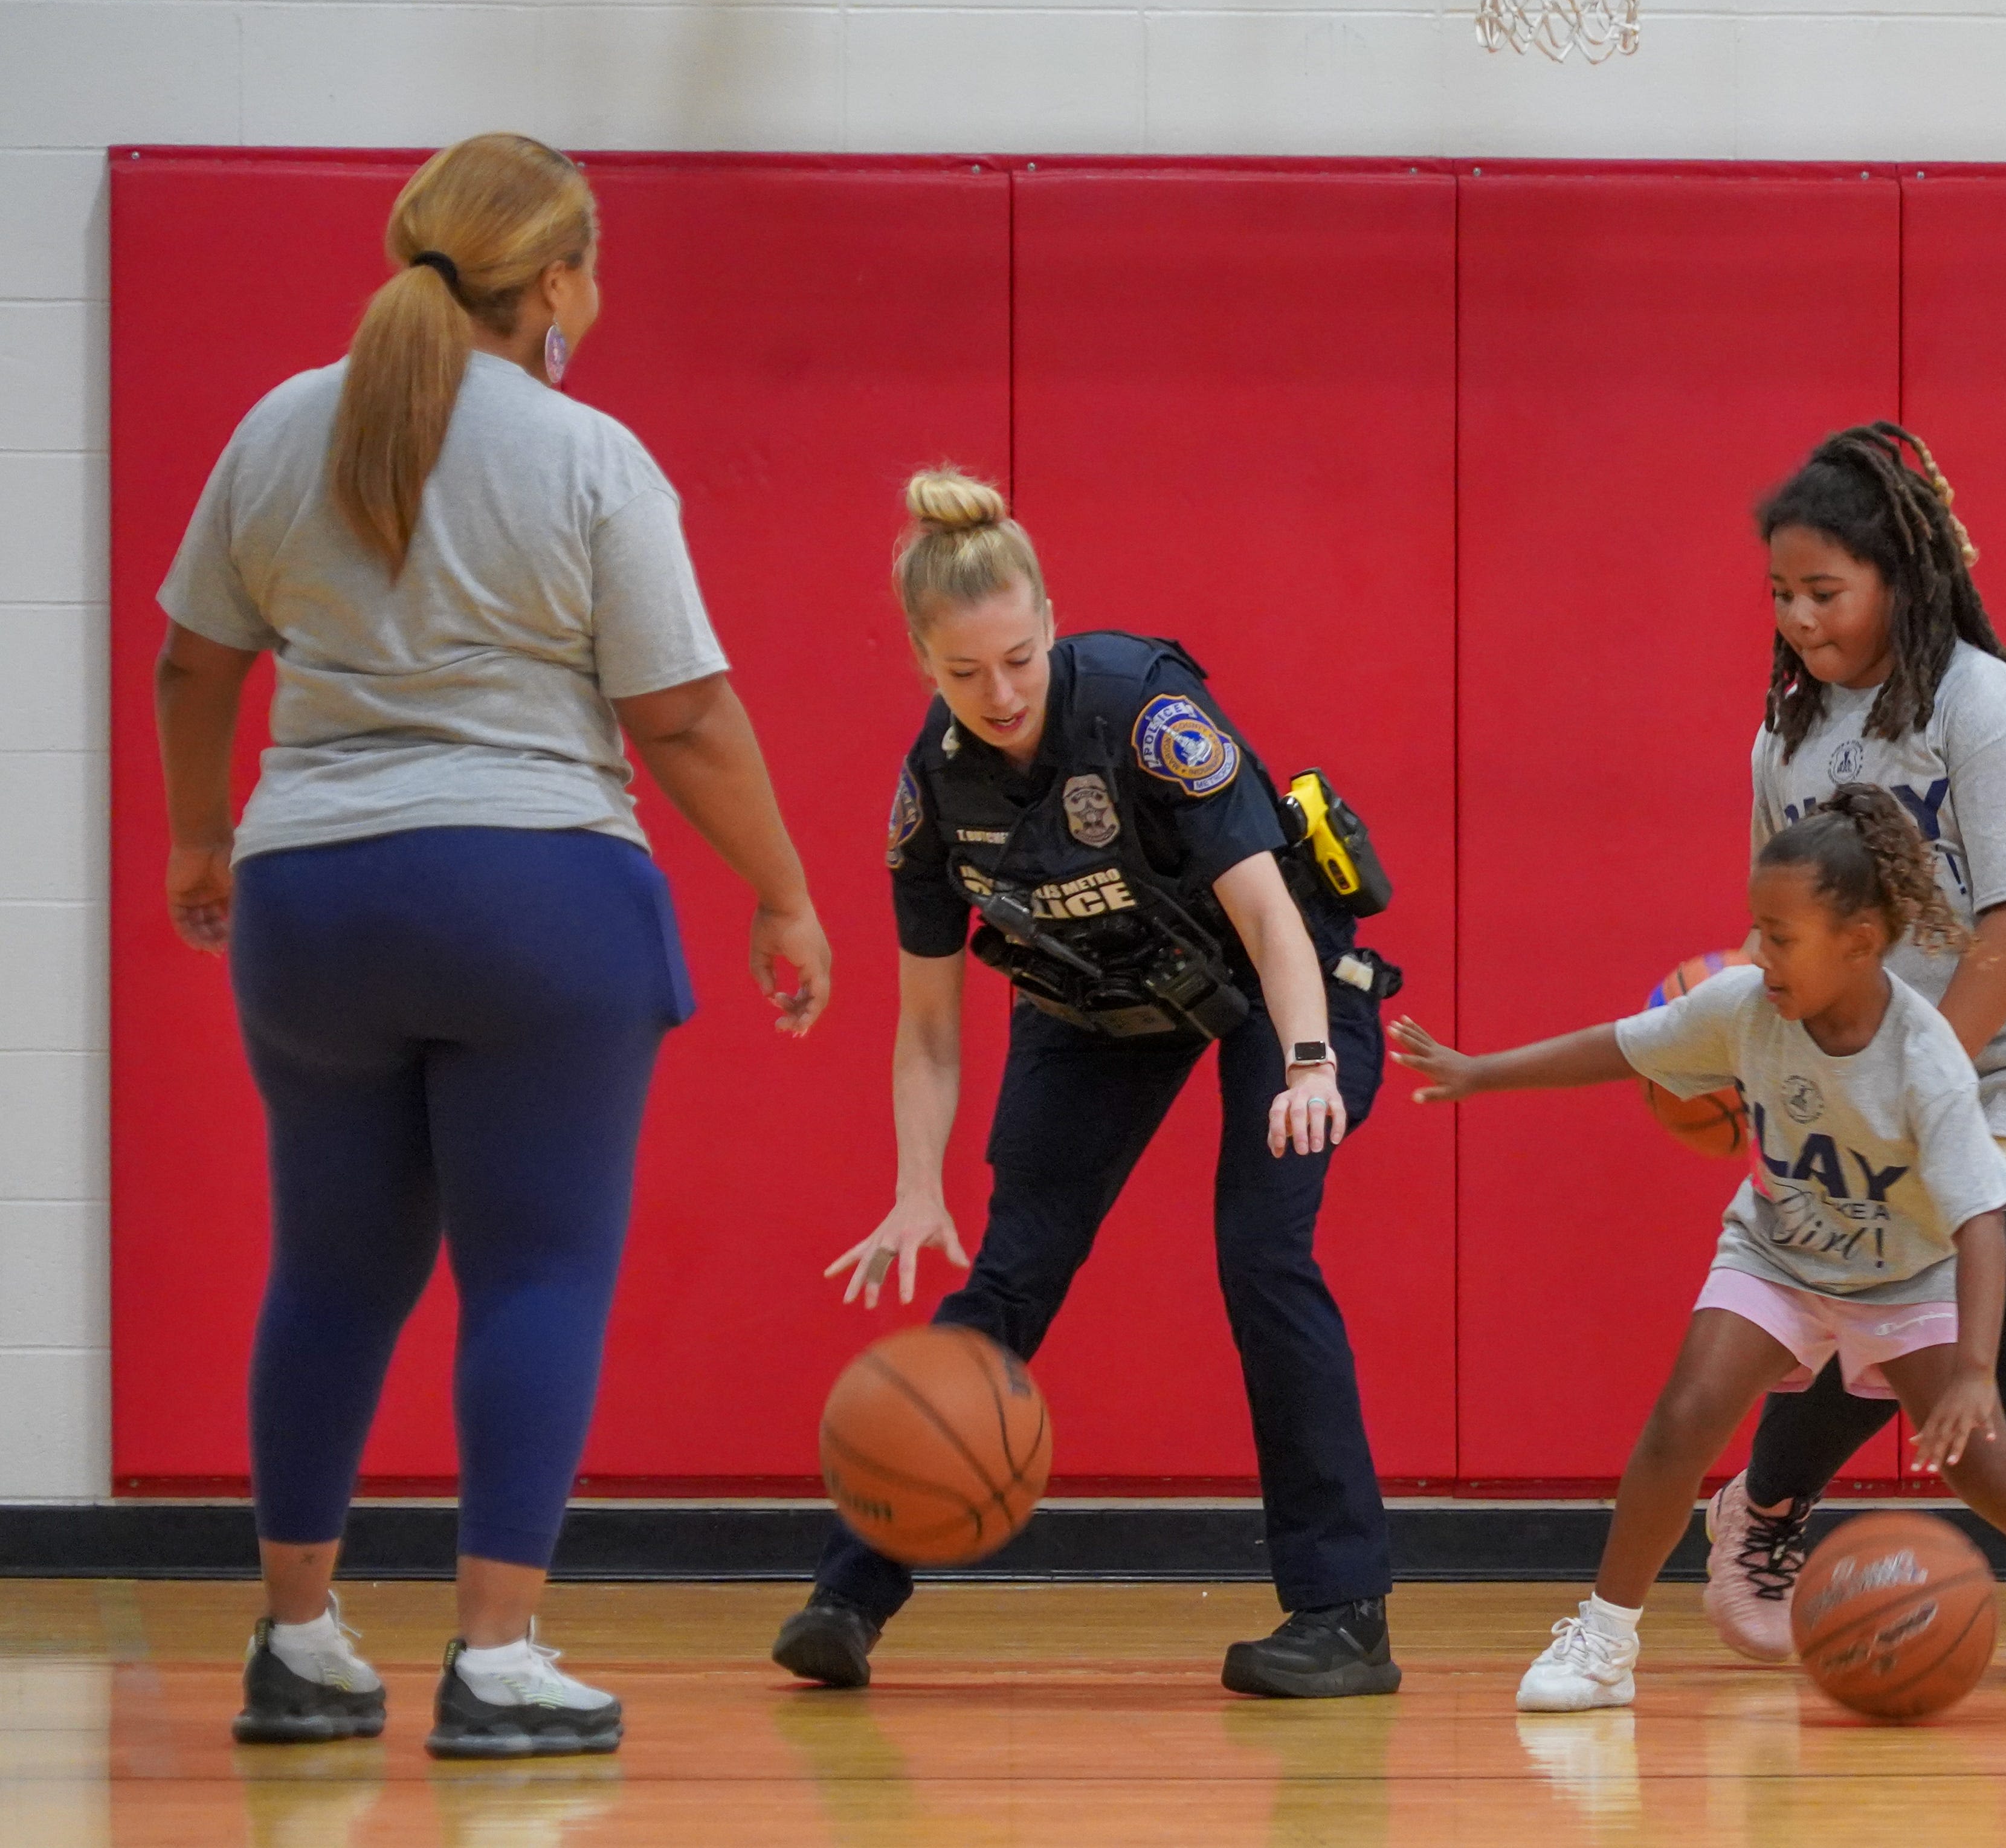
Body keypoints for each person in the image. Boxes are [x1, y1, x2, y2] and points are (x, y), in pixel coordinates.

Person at [155, 135, 833, 1758]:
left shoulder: (274, 425)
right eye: (590, 272)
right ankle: (499, 1659)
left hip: (309, 899)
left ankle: (299, 1643)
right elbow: (677, 715)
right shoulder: (589, 453)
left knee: (329, 1270)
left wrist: (198, 840)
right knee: (532, 1270)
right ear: (553, 284)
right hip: (532, 898)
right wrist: (783, 890)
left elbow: (193, 666)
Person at [769, 471, 1405, 1699]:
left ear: (1050, 622)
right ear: (922, 663)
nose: (999, 694)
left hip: (1282, 980)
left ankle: (1341, 1615)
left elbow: (1271, 919)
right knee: (1008, 1273)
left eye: (1017, 658)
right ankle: (847, 1597)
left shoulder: (1142, 711)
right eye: (965, 674)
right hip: (1099, 999)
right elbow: (927, 1030)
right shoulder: (933, 796)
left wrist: (1312, 1060)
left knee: (1261, 1251)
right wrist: (914, 1186)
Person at [1390, 786, 2006, 1713]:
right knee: (1685, 1416)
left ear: (1862, 942)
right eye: (1756, 928)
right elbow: (1623, 1046)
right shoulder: (1745, 1007)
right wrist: (1480, 1073)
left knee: (1991, 1467)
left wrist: (1980, 1368)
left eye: (1780, 936)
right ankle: (1604, 1639)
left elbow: (1984, 1220)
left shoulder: (1926, 1056)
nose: (1755, 953)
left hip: (1908, 1270)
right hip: (1778, 1254)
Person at [1703, 424, 2006, 1682]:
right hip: (1897, 1050)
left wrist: (1933, 1071)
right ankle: (1767, 1501)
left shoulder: (1982, 706)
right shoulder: (1783, 743)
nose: (1796, 616)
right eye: (1778, 593)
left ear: (1898, 572)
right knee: (1896, 1305)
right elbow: (1789, 922)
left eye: (1823, 591)